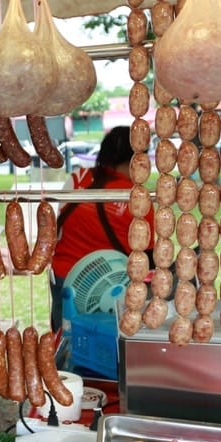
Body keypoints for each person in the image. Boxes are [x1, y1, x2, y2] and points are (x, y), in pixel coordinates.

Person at [50, 127, 147, 362]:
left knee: (65, 343)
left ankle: (64, 382)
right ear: (136, 158)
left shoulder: (77, 178)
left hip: (65, 280)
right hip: (111, 290)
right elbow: (147, 255)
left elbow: (56, 227)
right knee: (107, 353)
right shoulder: (137, 197)